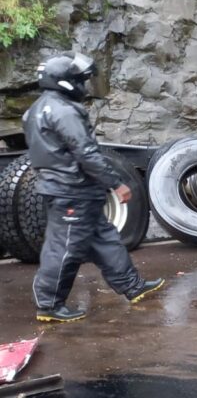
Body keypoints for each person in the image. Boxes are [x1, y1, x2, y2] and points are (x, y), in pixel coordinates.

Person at [24, 53, 164, 323]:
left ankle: (132, 286)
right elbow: (86, 153)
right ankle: (50, 305)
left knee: (105, 239)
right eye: (79, 80)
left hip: (75, 190)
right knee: (64, 248)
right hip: (71, 191)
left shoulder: (38, 109)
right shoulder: (63, 111)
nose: (83, 85)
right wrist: (116, 183)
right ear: (64, 82)